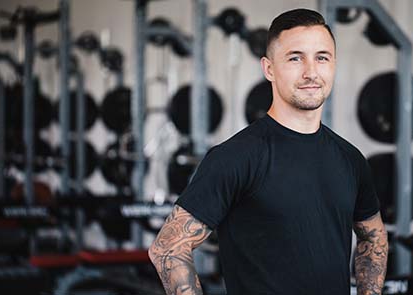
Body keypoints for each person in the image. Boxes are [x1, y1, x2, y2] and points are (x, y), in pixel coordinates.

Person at [148, 8, 388, 295]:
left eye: (322, 58)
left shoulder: (350, 159)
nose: (311, 72)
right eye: (295, 58)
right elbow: (168, 249)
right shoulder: (237, 157)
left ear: (333, 65)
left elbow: (374, 239)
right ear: (269, 68)